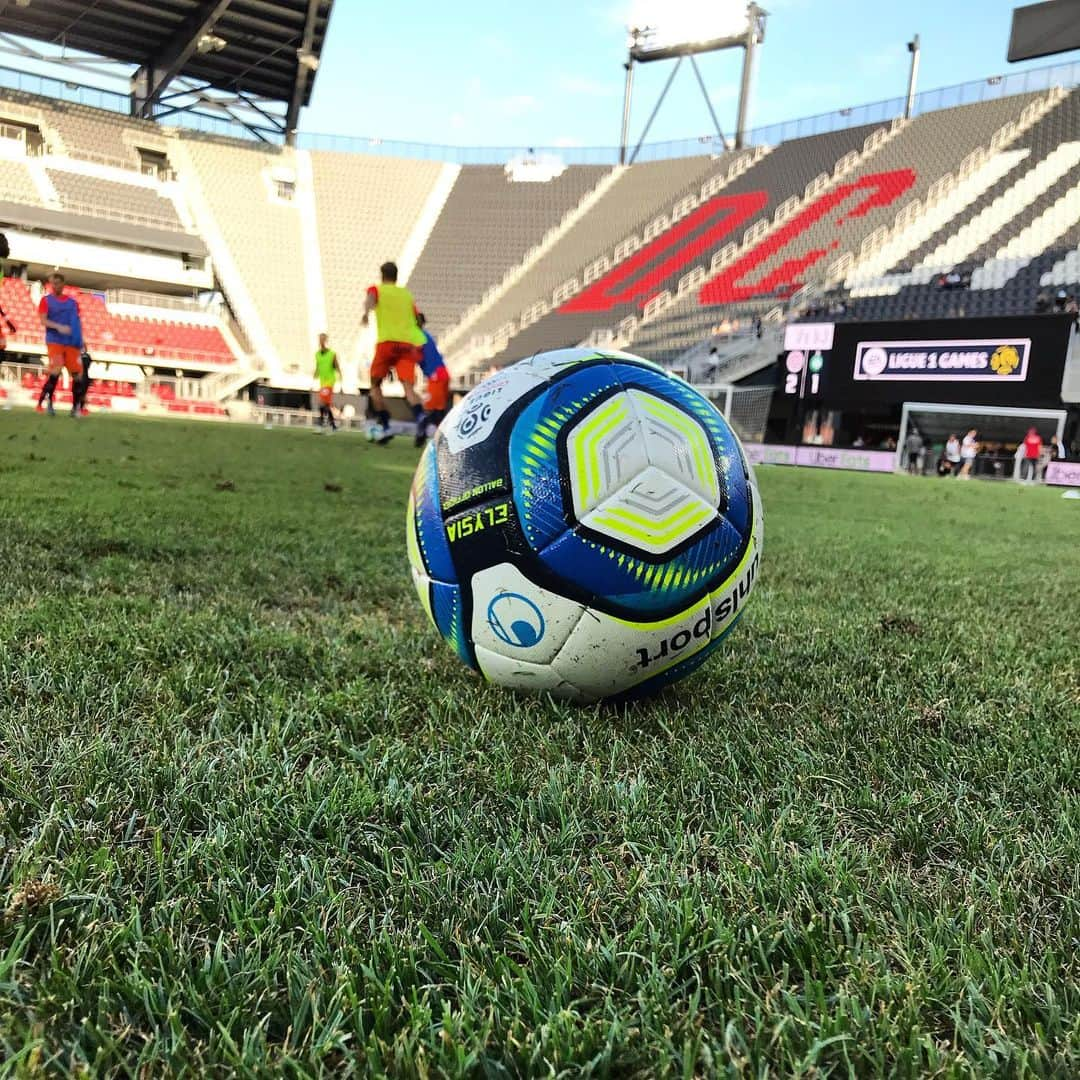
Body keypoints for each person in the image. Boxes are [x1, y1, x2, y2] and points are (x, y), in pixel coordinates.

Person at [361, 261, 425, 445]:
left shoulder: (377, 289)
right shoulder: (407, 295)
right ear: (396, 276)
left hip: (386, 343)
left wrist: (366, 313)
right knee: (408, 388)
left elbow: (370, 300)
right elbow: (418, 321)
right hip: (406, 346)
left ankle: (385, 424)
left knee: (375, 385)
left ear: (382, 275)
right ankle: (421, 418)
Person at [36, 272, 85, 418]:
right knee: (56, 370)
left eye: (58, 283)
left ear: (63, 284)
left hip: (71, 343)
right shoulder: (46, 301)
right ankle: (49, 403)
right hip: (55, 342)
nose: (55, 286)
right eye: (53, 283)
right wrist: (58, 327)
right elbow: (43, 320)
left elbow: (77, 323)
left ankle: (75, 408)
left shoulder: (72, 303)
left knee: (77, 375)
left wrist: (81, 340)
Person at [415, 313, 450, 447]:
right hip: (442, 373)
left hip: (436, 376)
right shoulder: (426, 335)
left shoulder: (418, 337)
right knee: (438, 409)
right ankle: (438, 438)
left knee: (432, 410)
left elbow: (416, 356)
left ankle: (423, 434)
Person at [312, 333, 341, 433]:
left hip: (330, 381)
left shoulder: (332, 354)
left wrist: (341, 378)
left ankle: (320, 425)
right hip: (322, 382)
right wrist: (315, 375)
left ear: (326, 340)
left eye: (323, 339)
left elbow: (337, 366)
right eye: (320, 339)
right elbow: (318, 367)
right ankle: (333, 426)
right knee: (326, 405)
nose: (321, 341)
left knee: (322, 404)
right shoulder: (317, 354)